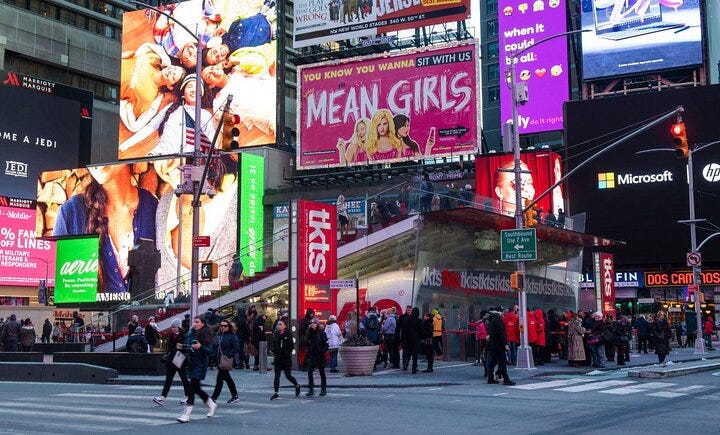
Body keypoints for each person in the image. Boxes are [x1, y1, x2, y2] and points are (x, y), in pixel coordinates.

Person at [53, 164, 158, 294]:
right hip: (93, 314)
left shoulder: (154, 208)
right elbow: (66, 292)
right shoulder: (71, 212)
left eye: (107, 148)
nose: (98, 159)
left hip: (150, 314)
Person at [120, 42, 186, 132]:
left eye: (173, 76)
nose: (171, 71)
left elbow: (126, 107)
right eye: (174, 68)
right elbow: (133, 54)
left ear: (170, 86)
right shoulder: (152, 59)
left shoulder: (146, 98)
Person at [177, 315, 216, 423]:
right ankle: (211, 404)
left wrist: (201, 347)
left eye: (197, 322)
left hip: (200, 364)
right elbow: (189, 346)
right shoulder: (190, 333)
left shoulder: (205, 334)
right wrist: (182, 346)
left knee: (191, 389)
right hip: (191, 364)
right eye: (194, 322)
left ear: (202, 324)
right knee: (197, 389)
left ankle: (186, 414)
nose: (195, 324)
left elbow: (210, 351)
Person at [154, 318, 190, 406]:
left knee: (184, 379)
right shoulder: (171, 335)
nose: (173, 328)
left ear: (178, 327)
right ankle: (162, 397)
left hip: (180, 360)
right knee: (168, 379)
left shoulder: (183, 336)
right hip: (171, 361)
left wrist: (181, 347)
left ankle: (188, 397)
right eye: (172, 327)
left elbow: (185, 347)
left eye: (174, 327)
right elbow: (170, 348)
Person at [270, 319, 302, 400]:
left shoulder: (288, 334)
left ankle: (297, 385)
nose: (279, 326)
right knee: (277, 376)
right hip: (277, 359)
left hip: (286, 359)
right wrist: (273, 350)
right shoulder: (275, 334)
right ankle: (276, 393)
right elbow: (274, 345)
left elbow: (291, 346)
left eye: (281, 324)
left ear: (284, 326)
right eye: (278, 324)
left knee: (288, 376)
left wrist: (286, 354)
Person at [485, 307, 515, 385]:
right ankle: (506, 379)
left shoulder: (491, 320)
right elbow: (501, 334)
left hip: (493, 345)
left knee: (492, 362)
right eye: (502, 311)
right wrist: (505, 344)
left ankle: (490, 378)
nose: (503, 313)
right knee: (502, 362)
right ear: (499, 312)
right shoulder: (498, 321)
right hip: (499, 345)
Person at [211, 320, 240, 404]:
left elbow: (236, 347)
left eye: (225, 326)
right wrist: (213, 355)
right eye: (221, 326)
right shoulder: (219, 335)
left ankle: (214, 397)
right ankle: (235, 396)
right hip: (219, 360)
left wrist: (229, 355)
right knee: (227, 378)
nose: (223, 327)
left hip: (225, 360)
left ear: (229, 326)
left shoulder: (232, 336)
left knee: (220, 379)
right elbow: (215, 346)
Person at [305, 318, 328, 396]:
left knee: (321, 372)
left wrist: (322, 351)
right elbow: (307, 343)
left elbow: (326, 345)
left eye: (314, 323)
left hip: (319, 355)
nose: (312, 324)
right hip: (311, 355)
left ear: (317, 324)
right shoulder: (309, 333)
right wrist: (308, 350)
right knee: (309, 372)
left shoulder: (321, 333)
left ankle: (323, 389)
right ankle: (311, 389)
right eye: (311, 323)